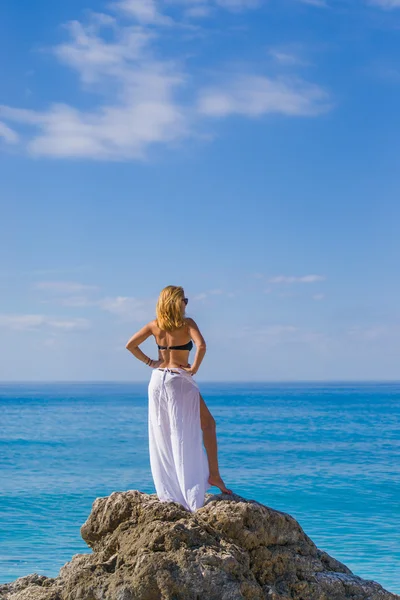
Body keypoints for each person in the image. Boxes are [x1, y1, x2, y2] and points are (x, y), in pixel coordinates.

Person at [125, 285, 232, 512]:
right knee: (206, 425)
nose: (186, 303)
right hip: (178, 380)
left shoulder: (155, 325)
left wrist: (151, 363)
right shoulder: (187, 324)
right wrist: (194, 368)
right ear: (177, 302)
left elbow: (130, 345)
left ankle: (171, 490)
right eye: (185, 299)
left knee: (163, 433)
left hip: (156, 381)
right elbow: (201, 345)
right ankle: (213, 476)